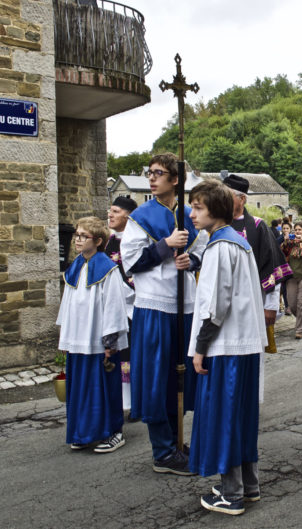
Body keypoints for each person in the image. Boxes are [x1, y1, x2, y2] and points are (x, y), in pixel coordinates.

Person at [121, 152, 208, 475]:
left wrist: (191, 262)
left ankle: (177, 441)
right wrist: (164, 245)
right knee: (158, 378)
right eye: (150, 172)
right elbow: (129, 261)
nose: (151, 178)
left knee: (180, 376)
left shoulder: (190, 214)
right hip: (154, 306)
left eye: (159, 173)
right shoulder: (140, 216)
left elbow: (202, 251)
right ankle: (162, 451)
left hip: (184, 307)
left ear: (175, 180)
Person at [186, 180, 267, 516]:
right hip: (244, 345)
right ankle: (249, 485)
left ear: (216, 210)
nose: (192, 214)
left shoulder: (220, 246)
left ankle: (231, 493)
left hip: (226, 347)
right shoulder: (239, 242)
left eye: (198, 208)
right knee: (241, 416)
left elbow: (215, 305)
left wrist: (200, 347)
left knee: (224, 417)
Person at [56, 216, 129, 453]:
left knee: (103, 387)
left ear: (97, 241)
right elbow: (67, 305)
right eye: (76, 235)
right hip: (77, 339)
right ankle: (84, 432)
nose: (76, 240)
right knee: (80, 388)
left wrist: (110, 341)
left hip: (99, 341)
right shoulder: (75, 268)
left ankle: (113, 432)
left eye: (82, 236)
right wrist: (65, 337)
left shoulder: (107, 269)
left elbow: (115, 306)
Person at [223, 175, 292, 330]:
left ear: (242, 199)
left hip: (252, 299)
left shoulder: (257, 226)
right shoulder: (215, 224)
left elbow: (272, 266)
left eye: (226, 195)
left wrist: (271, 305)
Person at [105, 196, 138, 419]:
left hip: (131, 305)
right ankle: (118, 402)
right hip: (111, 306)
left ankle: (135, 402)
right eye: (110, 210)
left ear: (127, 216)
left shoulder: (134, 240)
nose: (110, 214)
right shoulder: (108, 240)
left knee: (131, 357)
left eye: (115, 211)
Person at [277, 220, 294, 315]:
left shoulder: (294, 237)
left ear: (290, 229)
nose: (286, 230)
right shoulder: (279, 239)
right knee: (283, 286)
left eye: (287, 228)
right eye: (284, 228)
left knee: (291, 287)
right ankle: (286, 306)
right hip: (283, 265)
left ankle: (290, 306)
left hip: (292, 265)